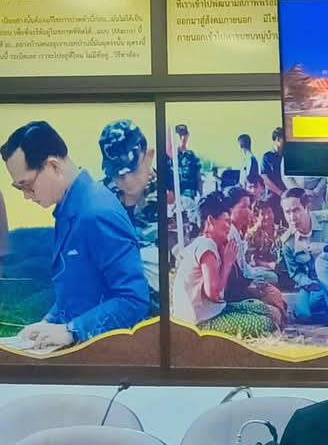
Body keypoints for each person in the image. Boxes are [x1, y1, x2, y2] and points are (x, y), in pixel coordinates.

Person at [2, 120, 151, 351]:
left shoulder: (96, 212)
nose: (26, 196)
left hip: (104, 357)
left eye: (27, 185)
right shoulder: (71, 208)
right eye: (19, 188)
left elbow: (133, 300)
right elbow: (78, 288)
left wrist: (72, 330)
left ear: (53, 166)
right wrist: (49, 322)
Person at [172, 191, 277, 340]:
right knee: (266, 322)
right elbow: (214, 294)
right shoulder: (206, 246)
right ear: (210, 220)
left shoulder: (208, 244)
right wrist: (227, 262)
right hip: (199, 323)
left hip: (211, 311)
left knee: (262, 308)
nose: (229, 226)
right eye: (226, 221)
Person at [280, 186, 328, 326]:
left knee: (323, 263)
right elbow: (295, 273)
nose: (292, 217)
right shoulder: (288, 241)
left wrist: (324, 248)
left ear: (307, 208)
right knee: (303, 314)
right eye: (287, 212)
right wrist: (309, 283)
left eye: (296, 210)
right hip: (313, 283)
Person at [98, 119, 159, 291]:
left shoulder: (170, 198)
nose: (127, 180)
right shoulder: (101, 197)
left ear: (149, 156)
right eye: (117, 174)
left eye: (133, 170)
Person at [222, 187, 286, 325]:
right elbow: (234, 276)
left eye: (249, 207)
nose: (249, 212)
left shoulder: (236, 231)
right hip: (236, 291)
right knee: (273, 302)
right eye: (244, 207)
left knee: (275, 294)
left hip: (246, 279)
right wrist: (253, 286)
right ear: (230, 209)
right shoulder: (230, 234)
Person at [172, 124, 201, 200]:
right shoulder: (170, 156)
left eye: (184, 135)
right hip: (173, 197)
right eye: (180, 135)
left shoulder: (192, 156)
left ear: (187, 136)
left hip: (189, 196)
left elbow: (198, 177)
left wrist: (201, 195)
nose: (182, 138)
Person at [261, 126, 288, 198]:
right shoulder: (267, 156)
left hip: (288, 195)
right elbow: (265, 179)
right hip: (273, 196)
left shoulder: (288, 155)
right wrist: (280, 193)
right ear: (278, 139)